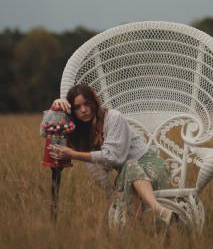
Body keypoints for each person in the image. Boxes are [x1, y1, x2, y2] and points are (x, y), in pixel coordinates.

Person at [48, 84, 177, 227]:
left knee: (130, 165)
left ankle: (158, 211)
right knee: (129, 170)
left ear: (94, 102)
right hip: (130, 175)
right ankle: (153, 226)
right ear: (73, 111)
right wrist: (56, 109)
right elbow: (45, 132)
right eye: (77, 107)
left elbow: (113, 157)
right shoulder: (83, 129)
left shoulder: (114, 117)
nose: (83, 110)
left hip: (153, 169)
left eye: (86, 104)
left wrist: (74, 154)